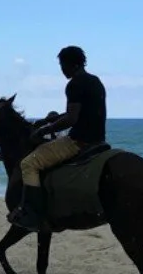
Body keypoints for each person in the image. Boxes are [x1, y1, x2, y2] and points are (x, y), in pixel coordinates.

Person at [16, 47, 108, 220]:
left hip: (78, 141)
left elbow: (71, 119)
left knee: (28, 164)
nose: (62, 70)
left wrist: (45, 130)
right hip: (99, 139)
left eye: (62, 65)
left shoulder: (74, 84)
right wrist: (47, 120)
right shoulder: (95, 81)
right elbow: (77, 112)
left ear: (70, 64)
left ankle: (32, 212)